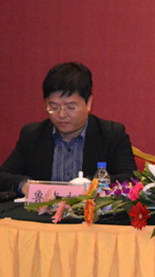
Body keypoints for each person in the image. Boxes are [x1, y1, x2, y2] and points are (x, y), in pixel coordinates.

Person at [0, 62, 136, 196]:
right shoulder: (32, 135)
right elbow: (3, 175)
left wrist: (91, 185)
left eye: (70, 107)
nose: (61, 114)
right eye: (53, 107)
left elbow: (130, 178)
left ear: (88, 103)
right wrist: (24, 185)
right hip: (40, 210)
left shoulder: (112, 135)